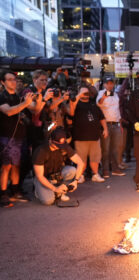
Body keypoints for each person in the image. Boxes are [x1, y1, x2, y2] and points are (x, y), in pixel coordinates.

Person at [0, 71, 37, 207]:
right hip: (7, 137)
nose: (13, 81)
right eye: (9, 80)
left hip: (20, 136)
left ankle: (15, 191)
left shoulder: (17, 96)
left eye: (14, 79)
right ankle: (3, 194)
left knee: (16, 165)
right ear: (2, 82)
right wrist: (25, 103)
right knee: (6, 166)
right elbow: (9, 111)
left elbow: (35, 109)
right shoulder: (2, 97)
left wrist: (40, 99)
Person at [32, 127, 84, 205]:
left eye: (61, 145)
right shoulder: (41, 151)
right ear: (50, 140)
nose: (59, 147)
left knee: (71, 170)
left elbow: (80, 162)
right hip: (43, 178)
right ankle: (39, 190)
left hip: (57, 174)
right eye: (57, 145)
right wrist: (54, 188)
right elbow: (40, 176)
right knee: (48, 201)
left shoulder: (64, 146)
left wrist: (75, 181)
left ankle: (61, 192)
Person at [69, 85, 108, 183]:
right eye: (83, 92)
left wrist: (105, 129)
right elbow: (71, 112)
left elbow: (101, 118)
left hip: (94, 136)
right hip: (80, 137)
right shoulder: (76, 103)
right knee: (81, 158)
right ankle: (80, 175)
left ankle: (95, 174)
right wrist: (78, 96)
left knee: (95, 157)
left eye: (87, 93)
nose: (85, 94)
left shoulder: (93, 104)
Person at [96, 77, 125, 178]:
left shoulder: (116, 94)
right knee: (105, 149)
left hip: (116, 124)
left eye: (111, 83)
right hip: (106, 125)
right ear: (104, 84)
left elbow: (117, 110)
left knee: (116, 149)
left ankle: (115, 169)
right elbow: (98, 103)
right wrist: (104, 97)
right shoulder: (101, 93)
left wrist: (120, 123)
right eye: (108, 83)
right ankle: (105, 170)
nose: (110, 85)